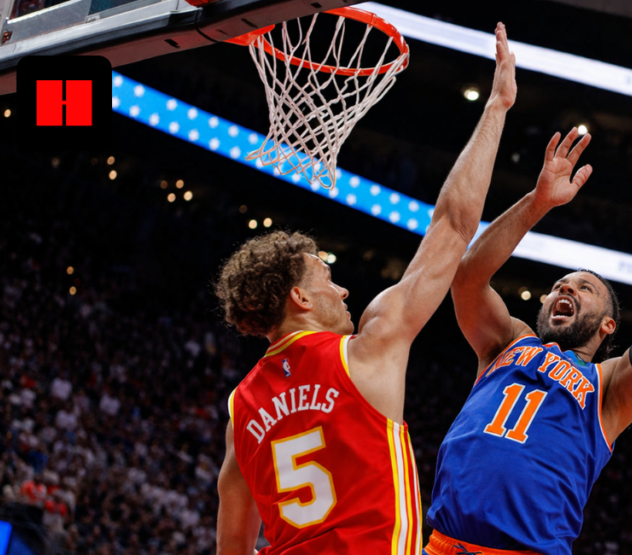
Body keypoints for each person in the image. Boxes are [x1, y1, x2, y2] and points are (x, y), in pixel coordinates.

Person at [213, 23, 518, 555]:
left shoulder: (242, 408)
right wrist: (497, 107)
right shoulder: (369, 347)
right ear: (299, 299)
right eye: (328, 279)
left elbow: (233, 540)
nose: (346, 291)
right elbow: (452, 226)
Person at [424, 129, 632, 555]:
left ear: (607, 326)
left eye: (584, 288)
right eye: (559, 285)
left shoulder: (611, 388)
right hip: (439, 545)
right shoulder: (507, 343)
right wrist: (538, 202)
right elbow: (468, 276)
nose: (565, 289)